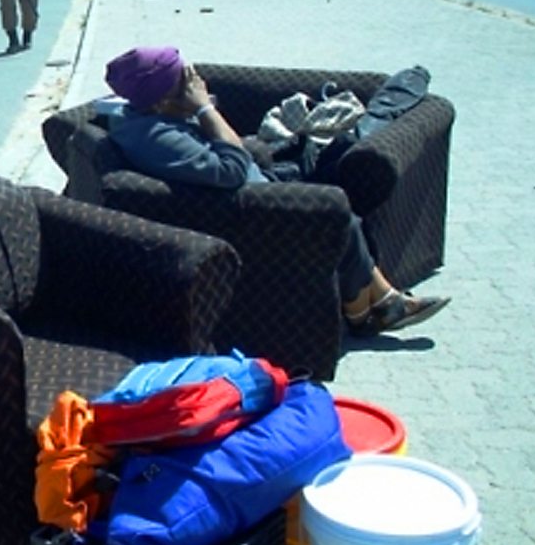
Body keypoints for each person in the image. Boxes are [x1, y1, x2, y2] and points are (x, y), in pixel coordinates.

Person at [102, 46, 449, 337]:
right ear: (162, 100)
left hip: (262, 180)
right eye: (186, 81)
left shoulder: (150, 117)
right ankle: (362, 314)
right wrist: (205, 109)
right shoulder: (156, 137)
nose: (197, 84)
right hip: (257, 208)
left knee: (341, 146)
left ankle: (382, 300)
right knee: (341, 215)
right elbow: (232, 169)